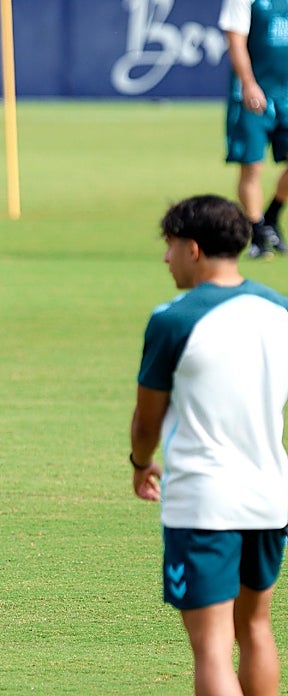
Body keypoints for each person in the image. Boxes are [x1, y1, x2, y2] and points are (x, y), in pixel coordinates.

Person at [129, 194, 288, 696]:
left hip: (204, 501)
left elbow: (147, 418)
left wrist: (140, 462)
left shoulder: (174, 318)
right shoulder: (281, 310)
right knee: (257, 629)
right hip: (269, 496)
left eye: (170, 246)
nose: (165, 258)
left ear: (192, 249)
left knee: (213, 646)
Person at [218, 0, 288, 258]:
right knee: (253, 165)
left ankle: (272, 216)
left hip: (286, 91)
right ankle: (258, 232)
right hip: (255, 92)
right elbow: (236, 41)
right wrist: (248, 83)